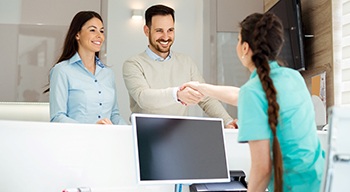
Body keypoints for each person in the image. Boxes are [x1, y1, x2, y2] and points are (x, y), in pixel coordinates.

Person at [182, 13, 324, 192]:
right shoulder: (293, 77)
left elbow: (262, 170)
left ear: (245, 48)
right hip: (321, 182)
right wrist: (201, 87)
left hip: (290, 187)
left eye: (238, 39)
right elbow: (240, 95)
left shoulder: (254, 91)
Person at [122, 4, 236, 128]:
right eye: (159, 30)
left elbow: (206, 99)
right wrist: (177, 94)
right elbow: (143, 98)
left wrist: (227, 121)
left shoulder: (186, 62)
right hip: (145, 135)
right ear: (146, 30)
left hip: (179, 134)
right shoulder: (133, 64)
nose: (166, 37)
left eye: (170, 30)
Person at [44, 11, 126, 125]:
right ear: (77, 34)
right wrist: (91, 129)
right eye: (92, 30)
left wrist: (128, 131)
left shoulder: (108, 73)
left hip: (106, 140)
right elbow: (57, 117)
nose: (100, 36)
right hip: (77, 140)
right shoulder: (62, 70)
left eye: (101, 31)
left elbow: (114, 115)